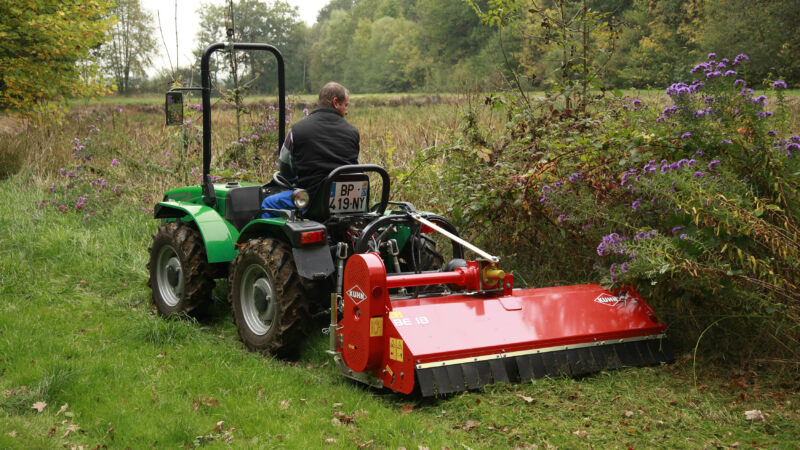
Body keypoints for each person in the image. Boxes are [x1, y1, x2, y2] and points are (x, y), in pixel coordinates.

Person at [261, 82, 360, 217]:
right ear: (335, 103)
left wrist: (293, 179)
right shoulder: (353, 132)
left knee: (268, 203)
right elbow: (354, 166)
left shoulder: (297, 130)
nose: (346, 111)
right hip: (349, 200)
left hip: (312, 200)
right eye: (346, 105)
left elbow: (284, 165)